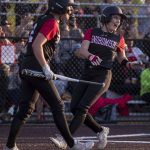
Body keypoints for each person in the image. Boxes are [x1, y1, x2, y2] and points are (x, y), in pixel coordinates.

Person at [3, 0, 94, 150]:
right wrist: (45, 68)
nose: (70, 11)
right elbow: (36, 45)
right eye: (68, 8)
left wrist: (44, 67)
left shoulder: (45, 19)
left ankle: (10, 146)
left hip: (29, 66)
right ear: (60, 7)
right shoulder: (52, 22)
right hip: (36, 68)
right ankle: (72, 144)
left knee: (25, 109)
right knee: (58, 105)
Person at [50, 6, 143, 150]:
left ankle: (65, 139)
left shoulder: (119, 37)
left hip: (103, 75)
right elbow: (82, 51)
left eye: (119, 19)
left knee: (82, 107)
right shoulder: (91, 32)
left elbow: (121, 58)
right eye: (115, 18)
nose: (118, 21)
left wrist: (129, 64)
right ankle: (100, 130)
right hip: (88, 73)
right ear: (106, 18)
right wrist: (90, 56)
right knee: (74, 107)